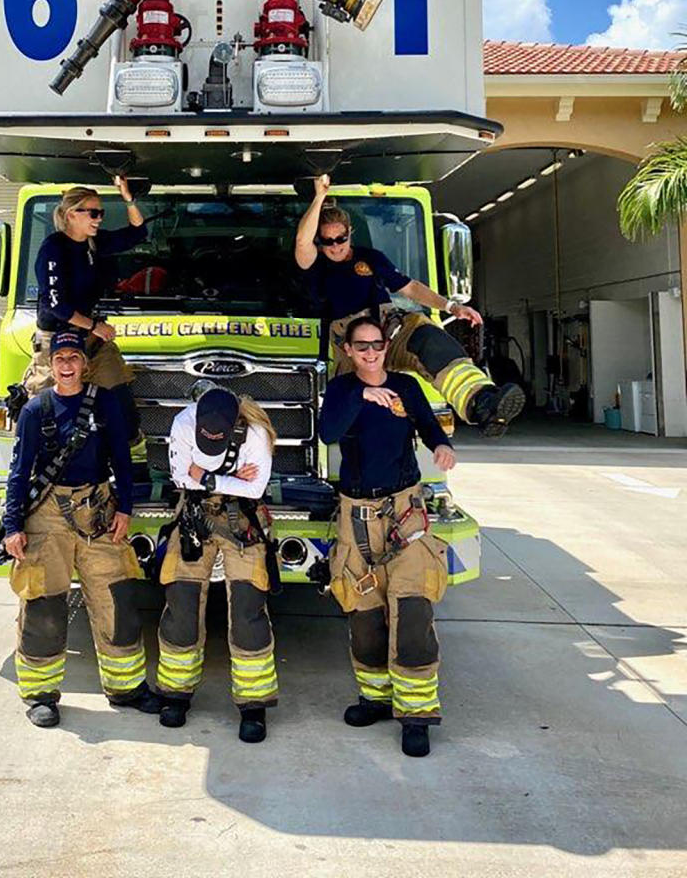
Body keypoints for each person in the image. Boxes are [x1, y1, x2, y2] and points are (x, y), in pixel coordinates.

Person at [2, 329, 161, 727]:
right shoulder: (36, 411)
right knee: (43, 605)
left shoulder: (105, 403)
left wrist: (125, 507)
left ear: (85, 365)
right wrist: (12, 526)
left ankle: (126, 687)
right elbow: (19, 473)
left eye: (74, 358)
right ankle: (41, 695)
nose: (68, 366)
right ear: (51, 366)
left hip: (98, 512)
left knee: (116, 600)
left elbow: (122, 460)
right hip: (47, 516)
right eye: (60, 360)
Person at [320, 315, 456, 757]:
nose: (371, 353)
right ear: (348, 351)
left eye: (377, 345)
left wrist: (442, 444)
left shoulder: (406, 386)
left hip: (404, 511)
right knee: (363, 611)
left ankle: (416, 714)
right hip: (356, 515)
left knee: (413, 606)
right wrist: (363, 394)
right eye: (361, 347)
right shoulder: (342, 390)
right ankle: (375, 698)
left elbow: (427, 424)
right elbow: (328, 432)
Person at [295, 174, 524, 436]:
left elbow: (411, 288)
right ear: (319, 242)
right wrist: (319, 197)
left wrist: (451, 307)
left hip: (389, 331)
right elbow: (302, 242)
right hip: (350, 346)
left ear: (350, 233)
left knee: (428, 339)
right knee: (351, 400)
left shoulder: (372, 258)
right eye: (328, 241)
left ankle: (482, 403)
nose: (335, 246)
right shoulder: (315, 265)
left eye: (341, 238)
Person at [154, 387, 279, 743]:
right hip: (193, 516)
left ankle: (253, 705)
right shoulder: (182, 422)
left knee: (247, 608)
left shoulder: (255, 431)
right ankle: (176, 695)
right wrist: (231, 479)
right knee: (181, 602)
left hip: (242, 522)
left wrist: (207, 477)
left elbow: (255, 490)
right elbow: (181, 478)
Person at [34, 176, 148, 451]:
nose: (99, 219)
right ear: (72, 214)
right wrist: (95, 325)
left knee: (121, 404)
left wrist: (128, 198)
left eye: (101, 213)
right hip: (58, 338)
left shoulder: (94, 243)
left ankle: (125, 456)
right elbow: (57, 305)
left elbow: (137, 234)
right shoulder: (54, 248)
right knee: (56, 410)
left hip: (91, 338)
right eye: (94, 213)